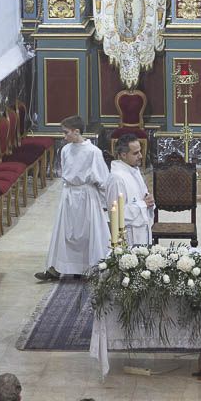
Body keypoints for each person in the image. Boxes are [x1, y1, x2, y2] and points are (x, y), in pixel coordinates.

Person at [36, 116, 110, 281]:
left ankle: (90, 267)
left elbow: (103, 180)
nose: (64, 136)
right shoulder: (65, 150)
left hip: (87, 196)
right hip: (69, 195)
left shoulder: (93, 152)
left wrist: (105, 203)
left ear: (77, 131)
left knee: (88, 233)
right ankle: (56, 268)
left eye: (66, 132)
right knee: (64, 233)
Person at [106, 133, 154, 245]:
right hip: (128, 236)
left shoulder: (134, 170)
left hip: (142, 230)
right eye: (136, 153)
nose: (141, 156)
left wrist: (149, 200)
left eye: (140, 151)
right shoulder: (117, 178)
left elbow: (142, 197)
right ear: (123, 155)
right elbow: (116, 214)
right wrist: (143, 204)